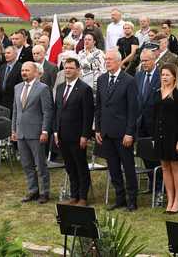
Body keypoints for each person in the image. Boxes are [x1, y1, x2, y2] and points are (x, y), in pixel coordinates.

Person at [95, 50, 139, 212]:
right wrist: (98, 128)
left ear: (119, 62)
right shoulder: (101, 79)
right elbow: (99, 107)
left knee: (128, 167)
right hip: (106, 132)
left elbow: (133, 110)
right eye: (105, 59)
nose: (107, 62)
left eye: (110, 60)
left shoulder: (129, 81)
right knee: (113, 168)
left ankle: (132, 199)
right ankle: (119, 198)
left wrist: (129, 132)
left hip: (123, 133)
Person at [54, 58, 94, 206]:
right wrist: (56, 132)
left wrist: (85, 135)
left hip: (77, 136)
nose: (68, 70)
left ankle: (83, 197)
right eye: (66, 67)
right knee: (70, 167)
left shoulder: (84, 89)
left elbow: (88, 115)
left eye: (71, 68)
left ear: (78, 70)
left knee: (80, 166)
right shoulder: (60, 88)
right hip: (62, 134)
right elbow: (57, 111)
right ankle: (74, 194)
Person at [11, 61, 53, 204]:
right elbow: (16, 110)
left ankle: (44, 192)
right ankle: (33, 190)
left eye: (27, 70)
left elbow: (47, 112)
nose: (24, 72)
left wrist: (45, 131)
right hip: (21, 132)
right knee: (27, 164)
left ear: (36, 72)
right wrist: (13, 130)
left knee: (40, 165)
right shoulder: (17, 88)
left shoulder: (42, 88)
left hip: (36, 133)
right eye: (23, 70)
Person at [151, 63, 178, 214]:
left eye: (167, 75)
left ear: (174, 76)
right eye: (162, 74)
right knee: (165, 167)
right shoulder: (157, 92)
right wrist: (154, 137)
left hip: (174, 136)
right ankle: (170, 198)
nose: (164, 77)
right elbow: (154, 117)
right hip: (159, 136)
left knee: (176, 167)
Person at [134, 48, 161, 193]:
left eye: (146, 60)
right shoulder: (138, 76)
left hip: (156, 123)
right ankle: (152, 182)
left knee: (156, 156)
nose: (143, 63)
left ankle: (160, 185)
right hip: (141, 123)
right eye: (142, 60)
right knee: (145, 155)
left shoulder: (161, 75)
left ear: (154, 60)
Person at [78, 33, 106, 98]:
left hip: (95, 83)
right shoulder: (80, 53)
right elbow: (78, 67)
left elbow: (98, 66)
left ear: (94, 42)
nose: (86, 41)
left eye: (89, 39)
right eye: (85, 39)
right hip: (82, 81)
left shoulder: (99, 53)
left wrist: (89, 55)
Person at [0, 46, 22, 112]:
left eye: (8, 53)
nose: (6, 55)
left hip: (13, 102)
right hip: (1, 102)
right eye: (5, 53)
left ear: (15, 54)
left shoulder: (20, 67)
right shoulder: (2, 67)